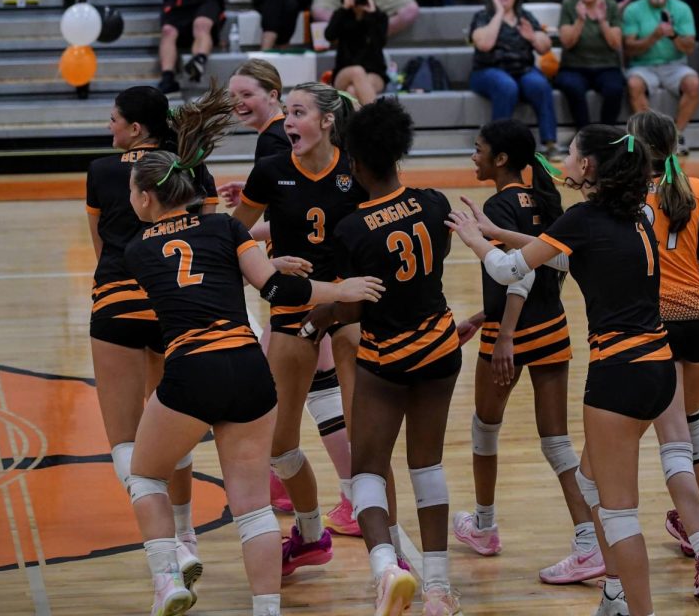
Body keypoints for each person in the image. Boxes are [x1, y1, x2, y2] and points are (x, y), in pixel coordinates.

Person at [122, 86, 385, 616]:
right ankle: (268, 609)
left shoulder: (136, 248)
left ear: (147, 199)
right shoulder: (224, 227)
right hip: (248, 368)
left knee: (145, 475)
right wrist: (335, 288)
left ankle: (168, 576)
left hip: (192, 370)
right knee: (254, 510)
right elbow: (275, 289)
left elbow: (186, 286)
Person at [448, 124, 699, 616]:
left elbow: (511, 271)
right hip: (659, 367)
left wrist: (475, 240)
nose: (564, 157)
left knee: (619, 514)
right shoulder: (639, 212)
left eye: (571, 152)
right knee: (593, 480)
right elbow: (562, 258)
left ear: (588, 166)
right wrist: (499, 233)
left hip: (619, 372)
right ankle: (616, 595)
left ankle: (632, 606)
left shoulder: (582, 218)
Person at [303, 99, 463, 615]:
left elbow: (352, 305)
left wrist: (319, 318)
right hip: (440, 345)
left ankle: (386, 571)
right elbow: (436, 259)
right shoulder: (434, 202)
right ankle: (437, 588)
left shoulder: (350, 230)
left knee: (369, 470)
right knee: (428, 466)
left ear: (354, 162)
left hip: (386, 357)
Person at [449, 119, 602, 585]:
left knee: (484, 430)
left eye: (478, 150)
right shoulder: (543, 200)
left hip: (513, 333)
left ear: (500, 159)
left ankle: (485, 525)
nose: (472, 156)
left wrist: (505, 335)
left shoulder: (497, 205)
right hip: (552, 326)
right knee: (556, 442)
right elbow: (546, 267)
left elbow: (520, 274)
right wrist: (481, 314)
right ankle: (586, 540)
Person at [231, 82, 374, 575]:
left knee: (367, 438)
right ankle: (312, 534)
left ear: (328, 121)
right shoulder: (271, 170)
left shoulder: (357, 170)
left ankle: (386, 554)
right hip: (294, 307)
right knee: (279, 442)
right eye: (287, 113)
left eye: (299, 113)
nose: (288, 122)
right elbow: (234, 232)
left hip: (351, 305)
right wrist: (266, 266)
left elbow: (385, 226)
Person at [84, 85, 220, 605]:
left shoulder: (101, 170)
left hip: (117, 299)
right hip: (173, 305)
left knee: (127, 443)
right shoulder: (189, 166)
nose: (110, 128)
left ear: (136, 129)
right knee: (174, 427)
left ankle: (167, 567)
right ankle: (186, 535)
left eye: (115, 120)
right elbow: (206, 233)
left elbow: (102, 245)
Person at [627, 110, 699, 550]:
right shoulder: (696, 188)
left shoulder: (624, 193)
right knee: (693, 424)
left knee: (672, 439)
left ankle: (698, 537)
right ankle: (689, 526)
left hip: (655, 321)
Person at [468, 0, 558, 157]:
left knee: (540, 85)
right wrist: (499, 13)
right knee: (506, 86)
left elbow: (545, 47)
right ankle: (497, 146)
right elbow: (485, 44)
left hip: (522, 70)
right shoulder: (483, 16)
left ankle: (550, 143)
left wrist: (533, 36)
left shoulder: (525, 16)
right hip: (487, 71)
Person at [622, 0, 699, 155]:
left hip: (675, 65)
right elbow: (629, 49)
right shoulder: (633, 10)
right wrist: (653, 37)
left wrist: (673, 35)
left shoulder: (682, 9)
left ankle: (676, 137)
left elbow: (689, 47)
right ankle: (651, 139)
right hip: (642, 65)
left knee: (693, 83)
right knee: (633, 84)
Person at [555, 0, 625, 129]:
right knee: (573, 87)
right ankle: (584, 136)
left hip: (607, 66)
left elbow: (615, 44)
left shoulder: (611, 6)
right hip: (574, 67)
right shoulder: (569, 6)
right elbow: (566, 42)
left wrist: (602, 21)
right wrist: (580, 20)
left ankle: (606, 135)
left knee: (614, 89)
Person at [324, 0, 389, 105]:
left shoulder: (379, 16)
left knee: (353, 91)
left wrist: (372, 14)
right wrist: (343, 9)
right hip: (344, 72)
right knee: (357, 71)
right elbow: (329, 36)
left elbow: (379, 43)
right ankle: (381, 122)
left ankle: (365, 125)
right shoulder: (341, 15)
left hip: (374, 72)